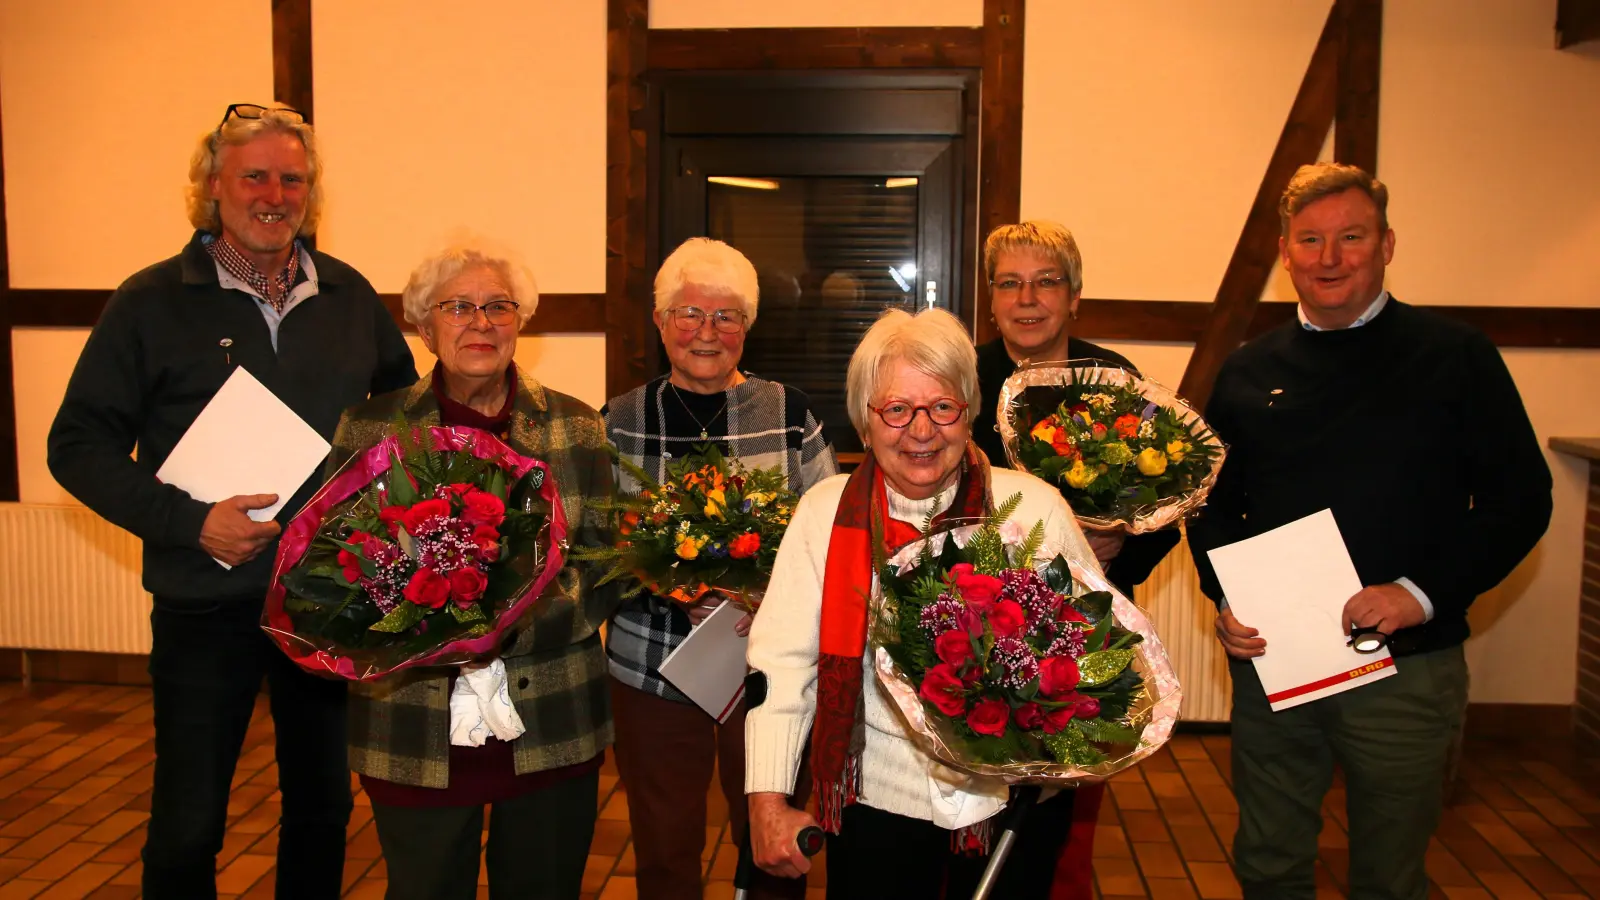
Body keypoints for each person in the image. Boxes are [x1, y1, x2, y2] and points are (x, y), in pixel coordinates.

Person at [46, 103, 415, 899]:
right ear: (213, 185)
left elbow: (399, 419)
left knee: (321, 810)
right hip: (202, 607)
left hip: (323, 601)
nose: (274, 193)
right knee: (188, 824)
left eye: (293, 178)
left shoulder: (350, 295)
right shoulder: (148, 302)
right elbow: (76, 446)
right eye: (255, 175)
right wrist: (189, 523)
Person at [1187, 162, 1553, 900]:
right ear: (1285, 254)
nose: (1329, 258)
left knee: (1389, 874)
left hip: (1406, 666)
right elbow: (1214, 507)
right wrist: (1224, 598)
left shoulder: (1455, 357)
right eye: (1311, 240)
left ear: (1386, 244)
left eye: (1350, 237)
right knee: (1268, 862)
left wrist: (1417, 595)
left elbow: (1521, 500)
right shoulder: (1249, 372)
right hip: (1277, 665)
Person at [746, 308, 1102, 899]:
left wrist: (1052, 754)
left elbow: (1089, 656)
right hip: (874, 796)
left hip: (1011, 803)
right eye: (896, 409)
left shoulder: (1034, 509)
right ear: (865, 420)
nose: (920, 430)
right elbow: (782, 667)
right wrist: (767, 799)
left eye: (942, 407)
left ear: (969, 415)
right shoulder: (823, 515)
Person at [326, 241, 618, 900]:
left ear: (521, 323)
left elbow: (605, 565)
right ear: (424, 326)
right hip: (410, 719)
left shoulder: (575, 426)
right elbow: (339, 567)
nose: (480, 323)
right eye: (457, 307)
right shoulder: (369, 429)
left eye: (498, 306)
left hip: (551, 715)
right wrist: (424, 619)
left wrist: (502, 623)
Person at [605, 237, 837, 900]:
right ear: (659, 321)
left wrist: (763, 595)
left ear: (748, 326)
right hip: (651, 667)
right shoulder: (619, 421)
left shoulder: (791, 415)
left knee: (769, 843)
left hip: (768, 669)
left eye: (726, 316)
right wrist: (665, 585)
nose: (706, 332)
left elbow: (830, 538)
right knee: (664, 845)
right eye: (688, 313)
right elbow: (592, 545)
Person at [971, 221, 1181, 897]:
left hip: (1079, 630)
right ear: (992, 297)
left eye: (1046, 282)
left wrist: (1120, 547)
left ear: (1074, 297)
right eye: (1010, 283)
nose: (1027, 298)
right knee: (967, 799)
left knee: (1057, 820)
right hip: (969, 626)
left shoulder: (1114, 380)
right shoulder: (961, 374)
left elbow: (1166, 502)